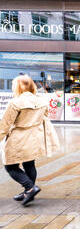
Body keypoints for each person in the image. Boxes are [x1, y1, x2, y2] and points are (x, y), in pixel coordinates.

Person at [0, 75, 47, 206]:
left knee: (10, 166)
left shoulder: (16, 102)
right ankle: (28, 192)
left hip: (18, 138)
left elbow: (5, 124)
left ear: (18, 86)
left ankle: (30, 188)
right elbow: (45, 117)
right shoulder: (41, 101)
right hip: (34, 137)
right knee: (29, 164)